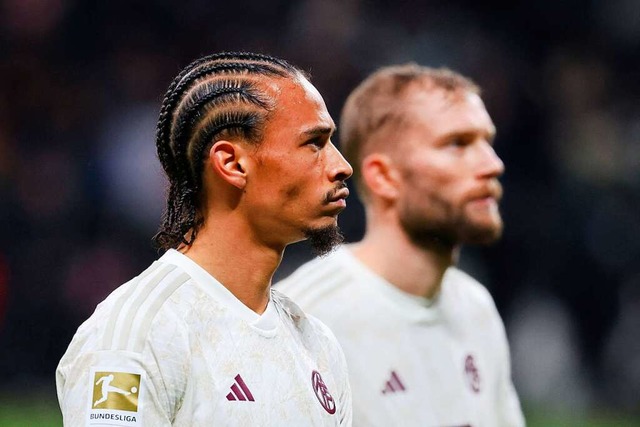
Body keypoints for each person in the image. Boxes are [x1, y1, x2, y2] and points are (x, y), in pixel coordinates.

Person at [56, 52, 354, 426]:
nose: (342, 165)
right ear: (231, 163)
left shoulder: (317, 344)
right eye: (314, 142)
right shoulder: (136, 336)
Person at [276, 63, 525, 426]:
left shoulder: (476, 308)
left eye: (487, 142)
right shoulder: (305, 320)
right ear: (384, 176)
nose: (492, 164)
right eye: (457, 144)